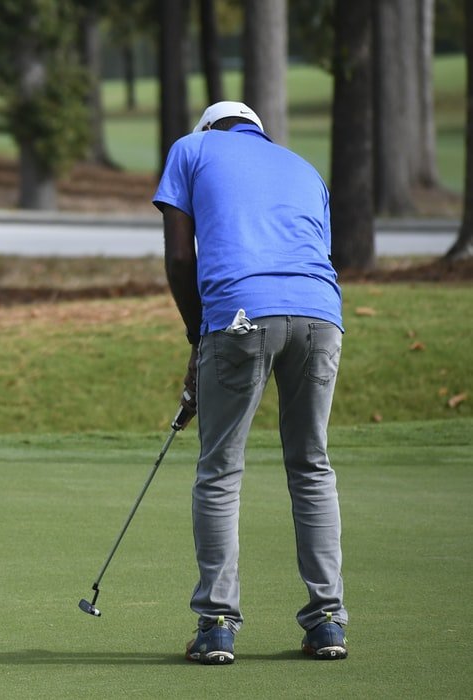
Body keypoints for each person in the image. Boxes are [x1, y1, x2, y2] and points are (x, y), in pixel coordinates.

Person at [153, 101, 349, 665]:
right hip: (321, 316)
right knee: (311, 465)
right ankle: (328, 620)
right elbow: (316, 254)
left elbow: (176, 258)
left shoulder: (190, 150)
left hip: (239, 315)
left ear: (209, 128)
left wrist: (199, 336)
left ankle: (217, 623)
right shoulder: (303, 167)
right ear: (257, 131)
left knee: (219, 468)